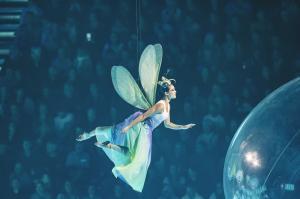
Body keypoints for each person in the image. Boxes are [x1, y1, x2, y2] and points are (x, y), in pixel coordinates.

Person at [76, 44, 195, 192]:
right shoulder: (160, 104)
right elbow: (145, 115)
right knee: (128, 149)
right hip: (141, 130)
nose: (175, 91)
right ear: (166, 93)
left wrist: (183, 127)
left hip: (146, 132)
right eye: (172, 90)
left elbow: (167, 124)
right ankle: (90, 135)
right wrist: (129, 126)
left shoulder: (167, 105)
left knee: (132, 158)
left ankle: (109, 146)